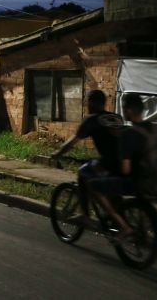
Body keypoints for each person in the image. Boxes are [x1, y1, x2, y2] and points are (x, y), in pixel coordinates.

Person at [51, 89, 125, 222]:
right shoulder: (116, 117)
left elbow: (71, 142)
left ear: (91, 103)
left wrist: (58, 153)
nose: (86, 106)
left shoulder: (91, 120)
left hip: (108, 162)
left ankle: (86, 215)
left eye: (87, 103)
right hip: (124, 162)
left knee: (83, 172)